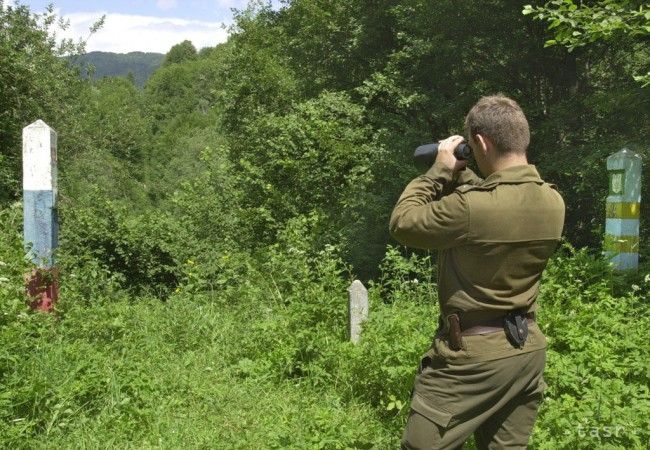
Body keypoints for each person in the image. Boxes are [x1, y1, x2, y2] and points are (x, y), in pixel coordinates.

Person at [389, 95, 565, 449]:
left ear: (480, 142)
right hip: (525, 351)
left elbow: (403, 222)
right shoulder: (552, 201)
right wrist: (466, 172)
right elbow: (492, 203)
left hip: (471, 360)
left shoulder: (472, 208)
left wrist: (440, 169)